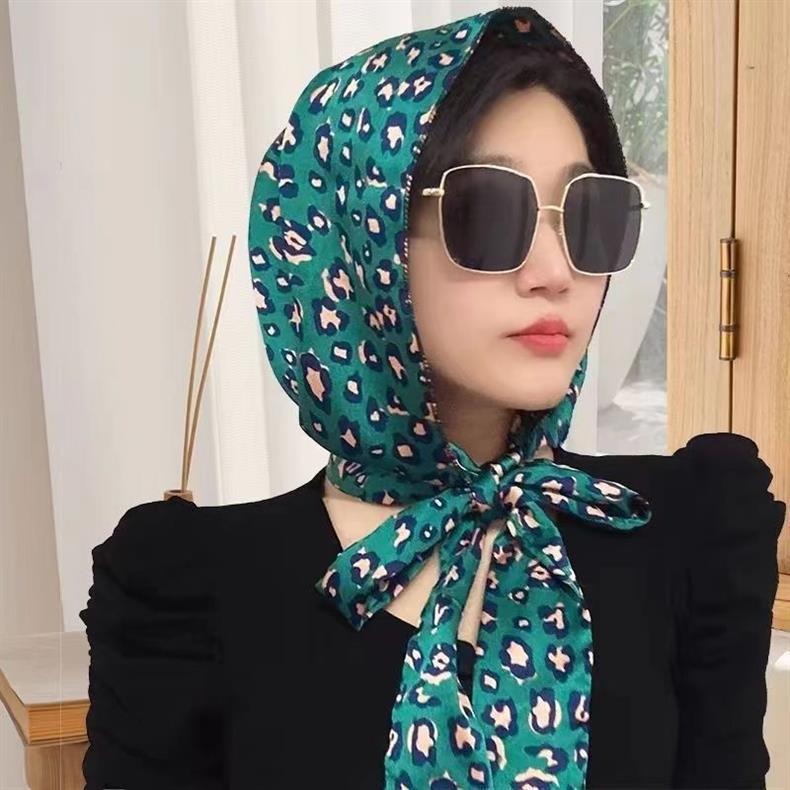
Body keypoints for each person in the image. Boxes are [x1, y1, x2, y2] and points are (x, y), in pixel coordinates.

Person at [80, 5, 786, 789]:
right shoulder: (191, 591)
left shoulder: (685, 530)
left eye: (592, 215)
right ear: (358, 240)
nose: (556, 271)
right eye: (487, 210)